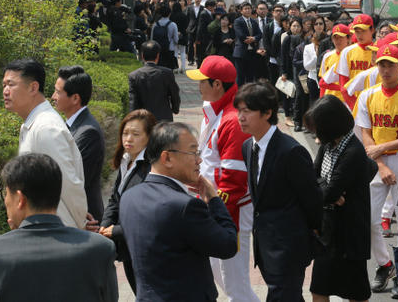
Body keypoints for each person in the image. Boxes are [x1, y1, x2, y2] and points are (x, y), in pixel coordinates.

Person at [120, 122, 238, 300]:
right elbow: (228, 245)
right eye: (193, 152)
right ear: (166, 158)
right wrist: (214, 200)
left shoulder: (129, 197)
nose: (199, 160)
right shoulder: (185, 206)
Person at [235, 81, 323, 301]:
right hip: (264, 243)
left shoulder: (291, 150)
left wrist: (313, 229)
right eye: (239, 111)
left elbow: (310, 197)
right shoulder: (248, 146)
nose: (241, 117)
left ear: (267, 113)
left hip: (289, 245)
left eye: (247, 111)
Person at [0, 153, 118, 302]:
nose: (5, 201)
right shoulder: (100, 249)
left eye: (6, 194)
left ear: (19, 199)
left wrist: (13, 239)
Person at [186, 56, 258, 302]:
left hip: (231, 212)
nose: (198, 86)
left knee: (234, 285)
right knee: (226, 280)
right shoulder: (216, 107)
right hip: (217, 207)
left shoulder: (232, 118)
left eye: (201, 81)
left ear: (217, 84)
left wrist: (217, 213)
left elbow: (234, 179)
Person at [352, 45, 398, 297]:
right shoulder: (367, 95)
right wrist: (380, 162)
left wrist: (384, 148)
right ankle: (384, 264)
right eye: (382, 64)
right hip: (376, 162)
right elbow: (365, 132)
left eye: (391, 64)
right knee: (369, 219)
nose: (386, 69)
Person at [305, 95, 377, 302]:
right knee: (319, 288)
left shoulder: (352, 151)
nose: (314, 132)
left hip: (350, 233)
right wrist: (326, 188)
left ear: (331, 125)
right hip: (328, 231)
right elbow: (315, 176)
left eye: (317, 127)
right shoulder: (327, 146)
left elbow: (328, 193)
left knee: (354, 292)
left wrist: (326, 191)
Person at [2, 58, 88, 229]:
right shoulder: (34, 123)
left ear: (33, 87)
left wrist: (82, 224)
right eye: (4, 84)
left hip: (58, 233)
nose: (5, 91)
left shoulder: (45, 128)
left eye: (11, 85)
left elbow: (68, 184)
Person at [99, 109, 156, 294]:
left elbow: (150, 216)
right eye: (125, 133)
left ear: (149, 137)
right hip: (129, 247)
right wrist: (105, 224)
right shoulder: (127, 160)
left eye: (135, 134)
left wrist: (115, 231)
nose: (128, 139)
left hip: (145, 250)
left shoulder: (151, 169)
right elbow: (116, 198)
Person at [52, 66, 105, 223]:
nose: (53, 96)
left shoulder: (88, 132)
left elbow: (75, 182)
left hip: (85, 218)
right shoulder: (70, 125)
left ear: (75, 98)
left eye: (58, 92)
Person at [128, 40, 181, 122]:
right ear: (157, 56)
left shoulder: (134, 75)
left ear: (142, 56)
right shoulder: (167, 73)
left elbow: (133, 101)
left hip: (144, 120)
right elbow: (174, 93)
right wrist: (175, 109)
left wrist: (132, 120)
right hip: (164, 119)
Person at [336, 14, 375, 110]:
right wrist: (355, 106)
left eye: (363, 31)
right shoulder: (347, 52)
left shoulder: (379, 50)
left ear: (372, 30)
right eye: (357, 32)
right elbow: (343, 85)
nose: (360, 35)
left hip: (376, 103)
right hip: (353, 104)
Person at [279, 17, 303, 127]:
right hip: (288, 70)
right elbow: (283, 57)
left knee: (296, 94)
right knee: (287, 93)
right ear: (290, 26)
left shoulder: (302, 38)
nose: (296, 28)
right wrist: (283, 72)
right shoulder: (287, 39)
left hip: (298, 70)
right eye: (294, 26)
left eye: (298, 26)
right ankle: (287, 117)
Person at [319, 24, 350, 104]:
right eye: (335, 37)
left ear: (348, 38)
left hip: (347, 99)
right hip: (330, 99)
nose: (338, 40)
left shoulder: (352, 55)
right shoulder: (327, 56)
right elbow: (323, 82)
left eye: (341, 37)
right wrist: (321, 100)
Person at [233, 2, 263, 86]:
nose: (247, 10)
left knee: (250, 77)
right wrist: (247, 39)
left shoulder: (254, 21)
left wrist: (253, 39)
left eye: (249, 8)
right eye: (245, 9)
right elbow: (240, 34)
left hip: (252, 53)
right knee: (240, 78)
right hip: (241, 53)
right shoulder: (238, 21)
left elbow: (259, 34)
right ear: (241, 11)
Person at [151, 3, 179, 69]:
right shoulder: (173, 25)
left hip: (157, 50)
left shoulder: (155, 24)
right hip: (169, 49)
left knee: (159, 68)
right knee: (169, 70)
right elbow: (176, 40)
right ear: (169, 14)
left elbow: (152, 38)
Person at [263, 4, 285, 85]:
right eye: (276, 11)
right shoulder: (268, 26)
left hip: (284, 58)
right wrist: (273, 54)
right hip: (272, 58)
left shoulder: (287, 26)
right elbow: (266, 43)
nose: (278, 13)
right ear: (272, 12)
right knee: (274, 81)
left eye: (280, 11)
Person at [196, 0, 216, 67]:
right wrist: (198, 38)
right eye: (213, 6)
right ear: (209, 7)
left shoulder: (210, 14)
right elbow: (200, 27)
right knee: (202, 55)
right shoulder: (204, 14)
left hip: (208, 38)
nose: (214, 8)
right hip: (204, 38)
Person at [255, 1, 273, 80]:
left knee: (269, 75)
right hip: (256, 53)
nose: (262, 11)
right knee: (257, 76)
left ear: (267, 10)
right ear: (257, 10)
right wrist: (257, 49)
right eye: (260, 9)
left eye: (264, 9)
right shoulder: (253, 22)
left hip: (268, 53)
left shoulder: (272, 22)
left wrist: (267, 50)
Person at [170, 1, 189, 71]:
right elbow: (186, 26)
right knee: (182, 52)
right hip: (182, 35)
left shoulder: (171, 16)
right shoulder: (183, 15)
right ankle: (183, 67)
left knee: (175, 52)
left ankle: (175, 67)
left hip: (173, 35)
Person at [186, 0, 204, 66]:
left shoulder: (203, 8)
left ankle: (198, 58)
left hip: (200, 28)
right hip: (191, 28)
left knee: (199, 44)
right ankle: (190, 59)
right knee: (190, 44)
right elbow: (187, 18)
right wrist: (187, 27)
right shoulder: (189, 8)